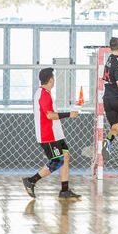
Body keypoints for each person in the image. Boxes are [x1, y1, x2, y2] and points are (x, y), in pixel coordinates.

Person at [22, 68, 81, 200]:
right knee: (57, 161)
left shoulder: (45, 93)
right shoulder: (43, 94)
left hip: (57, 134)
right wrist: (69, 114)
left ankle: (64, 190)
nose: (54, 80)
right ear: (50, 80)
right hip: (48, 135)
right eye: (53, 78)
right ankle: (31, 181)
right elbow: (49, 115)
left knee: (65, 156)